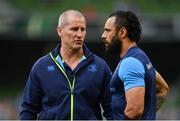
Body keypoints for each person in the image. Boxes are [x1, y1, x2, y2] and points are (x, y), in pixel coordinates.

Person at [20, 10, 112, 120]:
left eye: (83, 29)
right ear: (60, 31)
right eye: (74, 29)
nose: (79, 34)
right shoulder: (41, 67)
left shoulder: (100, 67)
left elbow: (111, 109)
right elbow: (28, 110)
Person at [101, 10, 169, 120]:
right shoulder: (141, 58)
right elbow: (163, 88)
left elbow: (135, 110)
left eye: (108, 31)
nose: (103, 36)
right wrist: (149, 113)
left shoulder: (130, 62)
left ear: (122, 32)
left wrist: (145, 114)